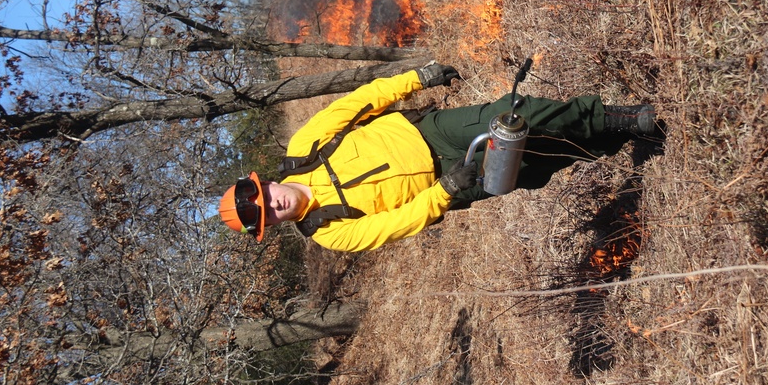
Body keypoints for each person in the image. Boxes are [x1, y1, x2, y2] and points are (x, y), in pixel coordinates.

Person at [218, 63, 656, 252]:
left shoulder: (302, 152)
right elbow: (394, 226)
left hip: (427, 132)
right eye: (264, 218)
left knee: (512, 118)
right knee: (530, 165)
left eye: (261, 197)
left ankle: (621, 119)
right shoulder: (326, 233)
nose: (270, 207)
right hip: (442, 184)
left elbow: (355, 105)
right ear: (270, 226)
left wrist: (415, 79)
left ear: (265, 183)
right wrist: (445, 191)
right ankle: (601, 143)